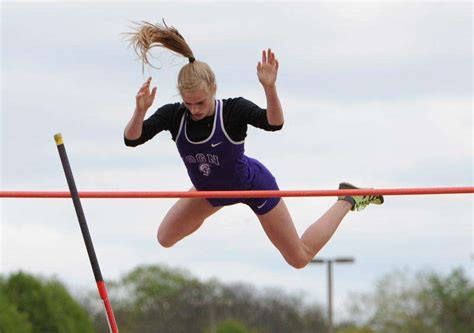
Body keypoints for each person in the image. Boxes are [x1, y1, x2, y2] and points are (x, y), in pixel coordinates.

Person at [124, 21, 383, 269]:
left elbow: (274, 123)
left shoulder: (234, 110)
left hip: (252, 185)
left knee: (299, 258)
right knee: (165, 237)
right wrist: (139, 112)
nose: (195, 109)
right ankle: (210, 208)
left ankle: (348, 198)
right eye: (188, 103)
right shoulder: (174, 115)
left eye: (200, 103)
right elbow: (132, 139)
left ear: (213, 88)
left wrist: (269, 88)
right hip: (210, 191)